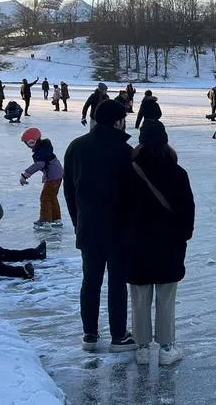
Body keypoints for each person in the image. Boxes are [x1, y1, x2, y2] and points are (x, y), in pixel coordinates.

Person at [63, 99, 138, 353]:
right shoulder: (126, 152)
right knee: (117, 282)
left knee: (90, 280)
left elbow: (69, 191)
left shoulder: (76, 147)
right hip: (119, 228)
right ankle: (118, 336)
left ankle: (89, 335)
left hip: (89, 226)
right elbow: (133, 195)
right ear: (118, 121)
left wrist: (78, 222)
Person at [127, 119, 196, 366]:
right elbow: (188, 211)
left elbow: (118, 209)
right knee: (166, 298)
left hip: (136, 245)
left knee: (139, 298)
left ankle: (143, 348)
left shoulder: (128, 171)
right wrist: (183, 236)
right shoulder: (177, 173)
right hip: (169, 245)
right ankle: (166, 348)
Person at [20, 127, 63, 228]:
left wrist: (25, 175)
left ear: (33, 142)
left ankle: (45, 220)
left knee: (45, 198)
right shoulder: (44, 148)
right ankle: (55, 219)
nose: (27, 146)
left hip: (53, 176)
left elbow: (39, 165)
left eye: (28, 143)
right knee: (52, 197)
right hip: (56, 175)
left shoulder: (41, 152)